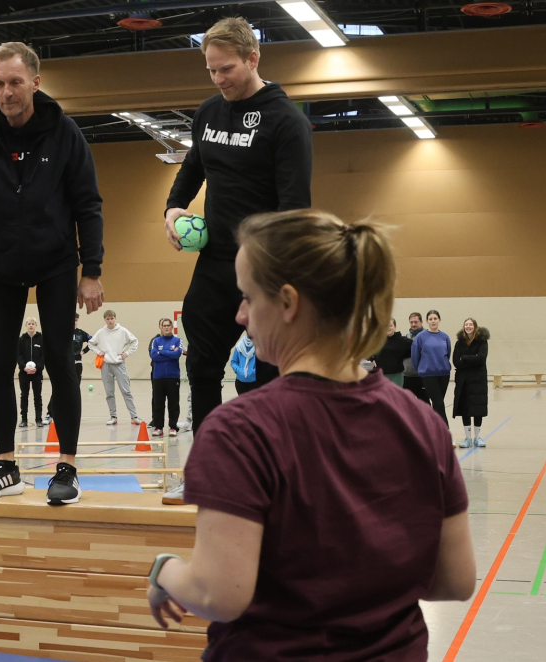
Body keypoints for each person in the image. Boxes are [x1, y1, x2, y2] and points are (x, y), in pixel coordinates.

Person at [144, 209, 474, 658]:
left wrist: (164, 572)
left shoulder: (240, 429)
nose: (239, 315)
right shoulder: (423, 423)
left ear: (287, 302)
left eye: (246, 296)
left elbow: (218, 593)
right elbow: (454, 579)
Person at [0, 41, 106, 505]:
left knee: (61, 361)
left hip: (56, 263)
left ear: (35, 81)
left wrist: (91, 269)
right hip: (4, 268)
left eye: (15, 82)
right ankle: (7, 465)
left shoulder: (65, 133)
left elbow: (87, 204)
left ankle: (68, 469)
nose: (7, 92)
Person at [160, 17, 308, 441]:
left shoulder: (285, 121)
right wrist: (173, 208)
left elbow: (295, 208)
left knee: (268, 372)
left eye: (227, 69)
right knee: (202, 365)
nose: (218, 78)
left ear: (253, 58)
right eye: (211, 69)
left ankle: (270, 462)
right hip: (215, 264)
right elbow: (193, 168)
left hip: (266, 270)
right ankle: (211, 460)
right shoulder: (208, 112)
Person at [90, 309, 141, 426]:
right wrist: (99, 352)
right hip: (106, 365)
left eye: (112, 318)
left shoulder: (122, 331)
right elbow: (91, 343)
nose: (110, 321)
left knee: (126, 391)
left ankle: (134, 416)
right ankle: (113, 416)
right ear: (105, 320)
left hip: (119, 364)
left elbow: (134, 341)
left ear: (115, 318)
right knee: (109, 393)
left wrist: (126, 353)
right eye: (108, 319)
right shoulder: (101, 332)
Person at [452, 318, 490, 448]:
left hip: (478, 380)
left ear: (475, 327)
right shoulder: (459, 343)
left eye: (470, 324)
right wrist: (471, 360)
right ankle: (467, 438)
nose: (468, 327)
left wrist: (465, 358)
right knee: (465, 408)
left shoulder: (482, 341)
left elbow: (481, 358)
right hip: (463, 380)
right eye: (466, 324)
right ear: (464, 327)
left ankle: (477, 437)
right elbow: (456, 361)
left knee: (477, 408)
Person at [411, 310, 452, 424]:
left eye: (435, 318)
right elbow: (415, 357)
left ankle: (434, 430)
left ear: (439, 320)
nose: (433, 321)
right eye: (430, 319)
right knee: (438, 402)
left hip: (443, 374)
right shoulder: (420, 337)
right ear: (427, 321)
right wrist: (422, 370)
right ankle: (446, 431)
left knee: (438, 403)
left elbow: (447, 353)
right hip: (428, 374)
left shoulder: (445, 337)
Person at [149, 319, 185, 437]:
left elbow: (176, 355)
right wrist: (168, 352)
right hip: (158, 377)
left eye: (168, 326)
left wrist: (162, 352)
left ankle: (173, 427)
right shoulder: (156, 341)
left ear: (171, 327)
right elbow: (154, 355)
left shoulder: (177, 340)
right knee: (158, 402)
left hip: (173, 377)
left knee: (173, 403)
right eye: (164, 326)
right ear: (161, 327)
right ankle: (158, 427)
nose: (166, 328)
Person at [16, 318, 47, 428]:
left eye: (33, 324)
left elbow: (44, 356)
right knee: (24, 395)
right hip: (24, 373)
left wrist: (37, 368)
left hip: (37, 373)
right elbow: (18, 355)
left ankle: (38, 419)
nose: (31, 326)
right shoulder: (21, 339)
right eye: (29, 324)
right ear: (26, 325)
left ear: (36, 325)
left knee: (37, 396)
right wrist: (24, 367)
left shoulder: (41, 339)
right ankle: (24, 419)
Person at [374, 318, 412, 387]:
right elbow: (368, 351)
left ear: (395, 327)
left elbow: (415, 348)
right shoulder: (377, 341)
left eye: (390, 325)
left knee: (396, 397)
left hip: (397, 375)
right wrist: (371, 359)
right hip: (381, 375)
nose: (388, 328)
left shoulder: (402, 341)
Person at [401, 312, 428, 401]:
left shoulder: (427, 336)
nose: (413, 324)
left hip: (422, 376)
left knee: (424, 403)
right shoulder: (404, 337)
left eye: (416, 322)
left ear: (421, 322)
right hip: (407, 376)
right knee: (406, 404)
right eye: (411, 322)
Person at [71, 314, 92, 381]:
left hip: (77, 360)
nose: (74, 322)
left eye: (76, 320)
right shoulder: (62, 332)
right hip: (66, 361)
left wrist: (84, 351)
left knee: (77, 382)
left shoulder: (80, 333)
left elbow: (93, 341)